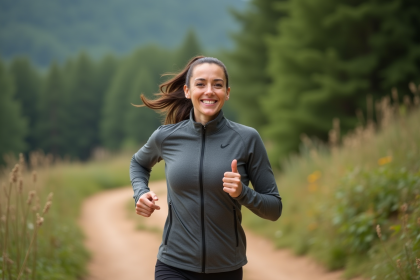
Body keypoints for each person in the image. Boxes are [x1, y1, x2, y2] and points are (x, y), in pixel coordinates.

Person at [130, 56, 282, 280]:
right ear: (187, 91)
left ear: (227, 93)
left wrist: (243, 193)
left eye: (217, 85)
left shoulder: (247, 139)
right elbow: (138, 163)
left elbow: (274, 208)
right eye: (200, 84)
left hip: (226, 269)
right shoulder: (166, 137)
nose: (209, 91)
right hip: (173, 264)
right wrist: (140, 193)